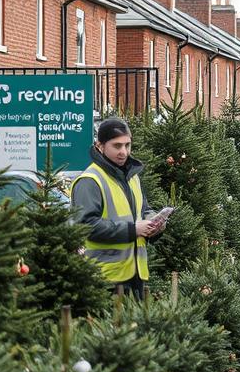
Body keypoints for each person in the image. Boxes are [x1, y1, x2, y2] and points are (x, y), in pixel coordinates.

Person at [71, 118, 169, 298]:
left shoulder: (132, 177)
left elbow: (143, 210)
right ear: (100, 146)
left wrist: (155, 222)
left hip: (136, 275)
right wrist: (133, 230)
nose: (123, 152)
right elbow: (86, 226)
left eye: (127, 145)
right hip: (105, 279)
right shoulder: (90, 181)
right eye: (117, 146)